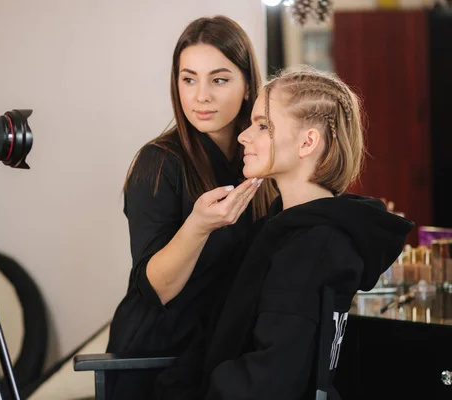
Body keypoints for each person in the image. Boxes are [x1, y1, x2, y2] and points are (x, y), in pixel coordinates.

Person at [154, 66, 415, 399]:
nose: (243, 136)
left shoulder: (314, 246)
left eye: (263, 126)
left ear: (307, 142)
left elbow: (270, 380)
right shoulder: (276, 229)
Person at [105, 15, 277, 399]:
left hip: (226, 353)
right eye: (188, 79)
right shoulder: (159, 162)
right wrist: (197, 226)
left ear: (248, 84)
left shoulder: (259, 164)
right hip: (158, 357)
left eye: (219, 79)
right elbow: (156, 289)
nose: (201, 96)